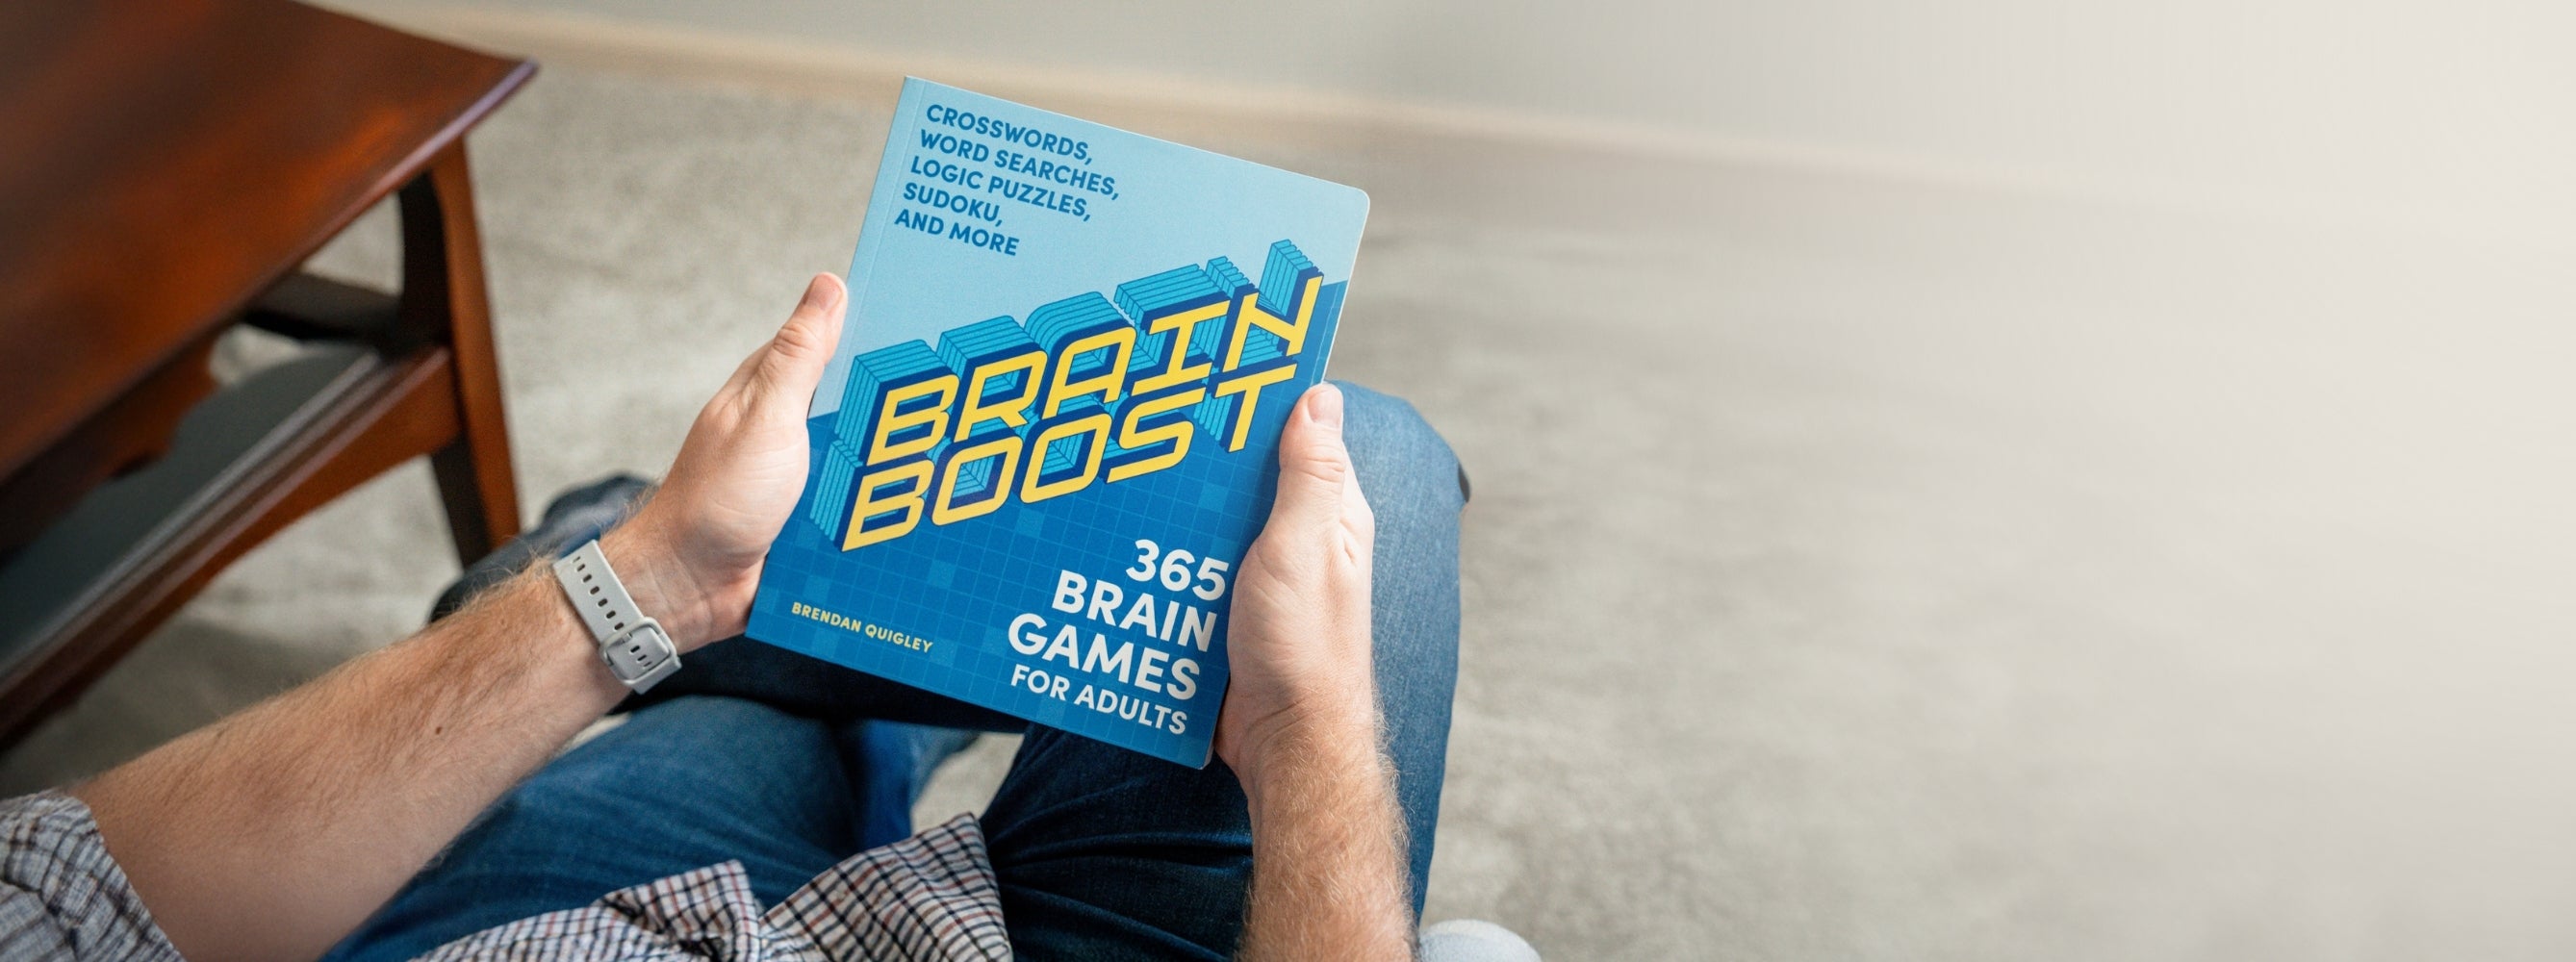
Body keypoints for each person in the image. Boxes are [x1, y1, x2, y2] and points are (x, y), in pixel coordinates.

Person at [0, 275, 1528, 961]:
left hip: (538, 941)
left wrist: (649, 583)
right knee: (1355, 469)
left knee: (733, 685)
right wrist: (1313, 737)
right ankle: (839, 640)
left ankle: (671, 583)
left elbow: (76, 893)